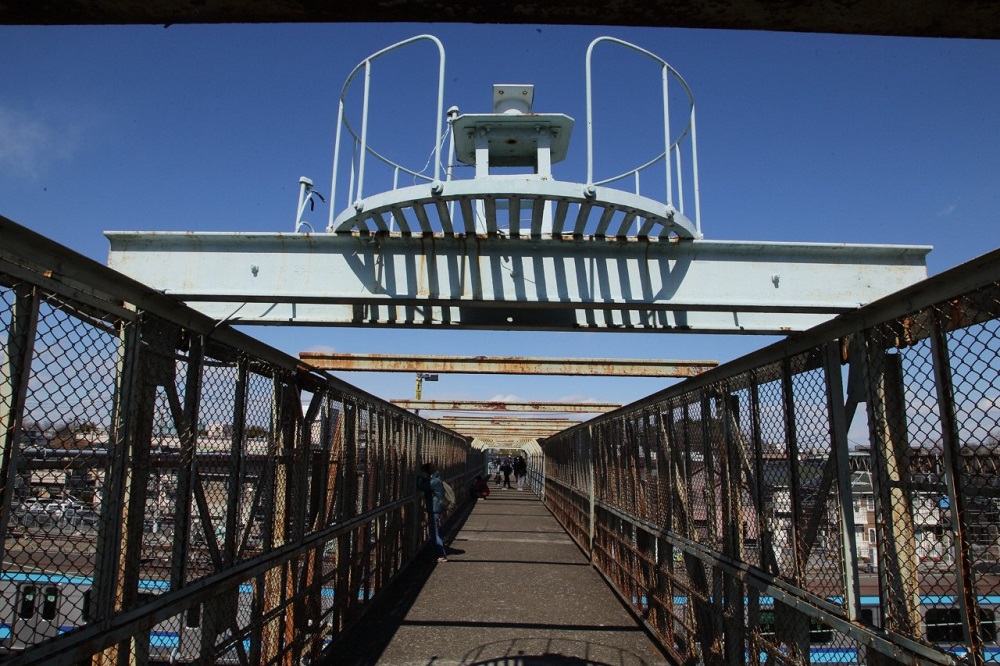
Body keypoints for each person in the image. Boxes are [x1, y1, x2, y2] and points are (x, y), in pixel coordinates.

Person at [417, 462, 448, 562]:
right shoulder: (436, 479)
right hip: (435, 508)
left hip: (434, 509)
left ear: (427, 472)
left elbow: (421, 486)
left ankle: (441, 554)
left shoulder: (434, 481)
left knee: (435, 531)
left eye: (423, 472)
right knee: (434, 530)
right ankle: (438, 554)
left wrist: (419, 478)